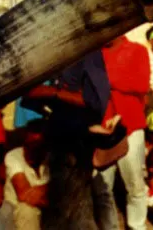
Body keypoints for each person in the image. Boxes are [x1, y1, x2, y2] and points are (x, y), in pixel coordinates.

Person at [23, 50, 113, 230]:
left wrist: (51, 92)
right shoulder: (58, 54)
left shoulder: (88, 53)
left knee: (77, 212)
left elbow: (96, 102)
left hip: (76, 146)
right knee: (60, 210)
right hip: (57, 141)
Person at [97, 36, 150, 230]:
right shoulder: (94, 53)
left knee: (135, 184)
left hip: (131, 127)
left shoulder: (137, 50)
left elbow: (142, 84)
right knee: (102, 188)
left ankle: (137, 225)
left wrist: (106, 78)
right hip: (101, 130)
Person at [4, 118, 49, 230]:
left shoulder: (52, 159)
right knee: (27, 210)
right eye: (28, 146)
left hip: (45, 209)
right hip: (16, 211)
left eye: (37, 147)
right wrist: (48, 190)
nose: (30, 151)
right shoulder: (14, 156)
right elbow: (24, 195)